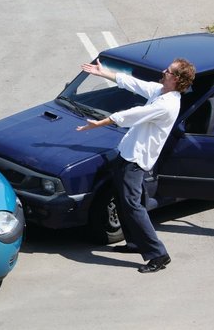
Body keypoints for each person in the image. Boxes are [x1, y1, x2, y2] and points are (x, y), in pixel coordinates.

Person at [76, 57, 196, 273]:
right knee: (127, 201)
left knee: (132, 206)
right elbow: (133, 83)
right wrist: (103, 73)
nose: (163, 71)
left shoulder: (167, 104)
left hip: (135, 161)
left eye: (168, 70)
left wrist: (101, 123)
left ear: (176, 79)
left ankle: (158, 255)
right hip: (128, 154)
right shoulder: (161, 91)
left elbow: (133, 114)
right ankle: (134, 243)